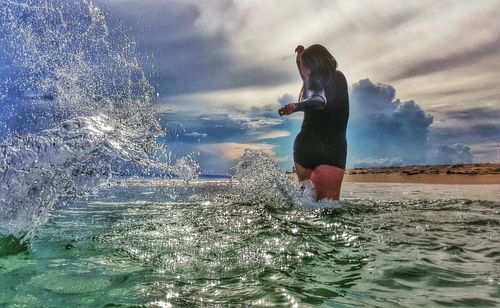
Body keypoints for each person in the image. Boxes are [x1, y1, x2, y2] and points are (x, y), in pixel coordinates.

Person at [278, 44, 349, 201]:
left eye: (303, 66)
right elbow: (317, 94)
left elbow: (317, 96)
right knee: (328, 210)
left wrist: (297, 106)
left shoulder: (312, 80)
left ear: (311, 66)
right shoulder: (339, 78)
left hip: (304, 147)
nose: (302, 72)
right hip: (331, 149)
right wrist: (300, 60)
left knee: (306, 204)